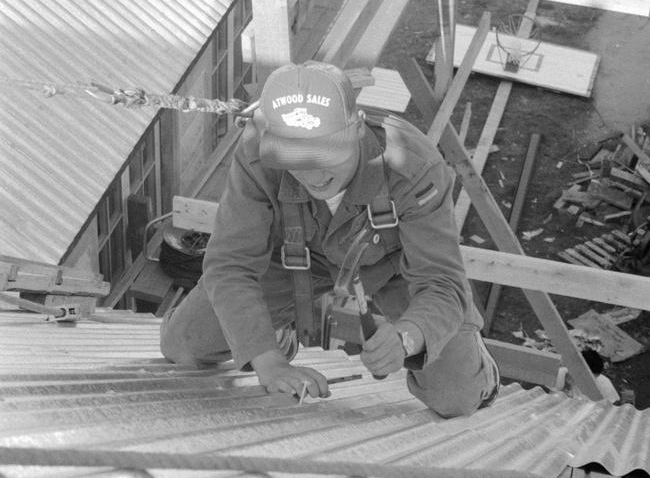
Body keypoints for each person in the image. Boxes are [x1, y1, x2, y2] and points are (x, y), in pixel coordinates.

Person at [160, 61, 499, 417]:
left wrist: (408, 336)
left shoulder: (413, 167)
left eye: (327, 155)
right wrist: (268, 361)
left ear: (356, 129)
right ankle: (275, 335)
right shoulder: (256, 153)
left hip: (392, 266)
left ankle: (479, 367)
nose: (313, 175)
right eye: (296, 159)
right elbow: (230, 263)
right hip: (294, 256)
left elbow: (441, 281)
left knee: (457, 397)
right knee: (184, 344)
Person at [555, 347, 620, 404]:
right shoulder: (563, 374)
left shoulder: (604, 384)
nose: (589, 382)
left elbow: (614, 407)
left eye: (594, 378)